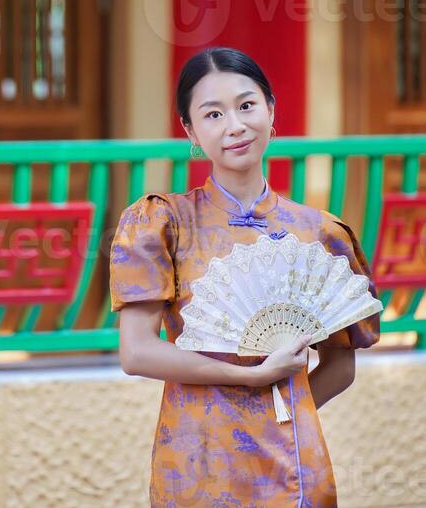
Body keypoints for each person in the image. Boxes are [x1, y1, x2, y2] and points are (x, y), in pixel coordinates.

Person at [109, 46, 381, 507]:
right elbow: (136, 352)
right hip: (198, 456)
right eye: (213, 114)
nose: (234, 125)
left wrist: (276, 411)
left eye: (247, 105)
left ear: (271, 112)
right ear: (191, 131)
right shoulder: (164, 222)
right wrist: (250, 384)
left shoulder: (318, 233)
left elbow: (340, 363)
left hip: (295, 458)